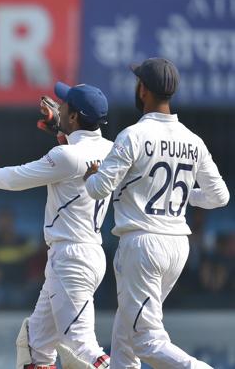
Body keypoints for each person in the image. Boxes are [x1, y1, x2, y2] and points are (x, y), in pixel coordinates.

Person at [0, 82, 113, 369]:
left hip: (71, 257)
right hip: (82, 253)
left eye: (64, 105)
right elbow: (80, 155)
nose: (58, 105)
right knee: (34, 344)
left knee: (82, 347)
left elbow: (19, 177)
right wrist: (63, 130)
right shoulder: (111, 149)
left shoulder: (66, 156)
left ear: (76, 116)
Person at [84, 58, 230, 369]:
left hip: (143, 244)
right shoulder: (193, 140)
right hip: (177, 244)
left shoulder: (133, 135)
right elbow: (220, 197)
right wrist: (185, 194)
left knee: (146, 340)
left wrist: (91, 176)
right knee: (124, 341)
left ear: (143, 90)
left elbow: (99, 189)